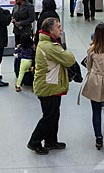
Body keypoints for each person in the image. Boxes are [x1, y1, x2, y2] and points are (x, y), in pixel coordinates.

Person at [27, 17, 76, 155]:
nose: (61, 29)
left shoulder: (47, 43)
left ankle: (51, 141)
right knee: (49, 117)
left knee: (54, 115)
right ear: (50, 30)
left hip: (51, 85)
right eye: (58, 27)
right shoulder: (49, 46)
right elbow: (69, 59)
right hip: (48, 86)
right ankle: (34, 142)